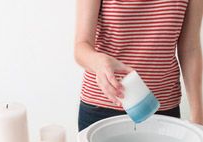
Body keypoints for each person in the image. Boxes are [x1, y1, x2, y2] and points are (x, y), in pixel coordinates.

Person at [74, 0, 203, 131]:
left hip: (163, 109)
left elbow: (190, 50)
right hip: (102, 107)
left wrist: (198, 115)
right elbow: (81, 46)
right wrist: (98, 62)